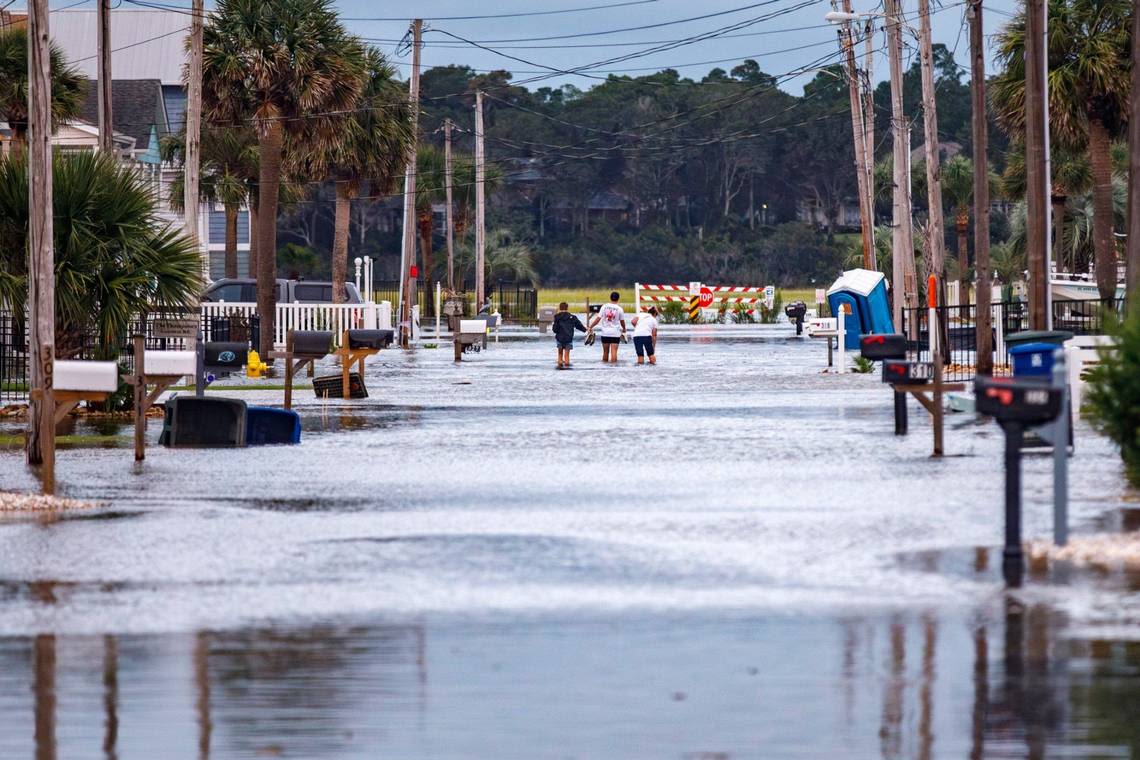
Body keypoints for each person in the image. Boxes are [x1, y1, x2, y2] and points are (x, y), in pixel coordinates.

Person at [588, 291, 626, 363]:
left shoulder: (604, 306)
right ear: (618, 299)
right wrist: (624, 329)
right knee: (614, 352)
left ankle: (605, 368)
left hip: (605, 333)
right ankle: (613, 367)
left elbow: (598, 319)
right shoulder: (619, 309)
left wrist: (591, 326)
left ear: (610, 298)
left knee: (605, 352)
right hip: (615, 333)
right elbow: (622, 321)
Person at [552, 301, 587, 369]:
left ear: (560, 308)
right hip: (569, 338)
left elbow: (554, 329)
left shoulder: (557, 317)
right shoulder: (572, 317)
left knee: (560, 354)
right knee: (567, 356)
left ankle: (560, 366)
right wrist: (586, 330)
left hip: (559, 338)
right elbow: (579, 325)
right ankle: (567, 369)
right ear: (567, 308)